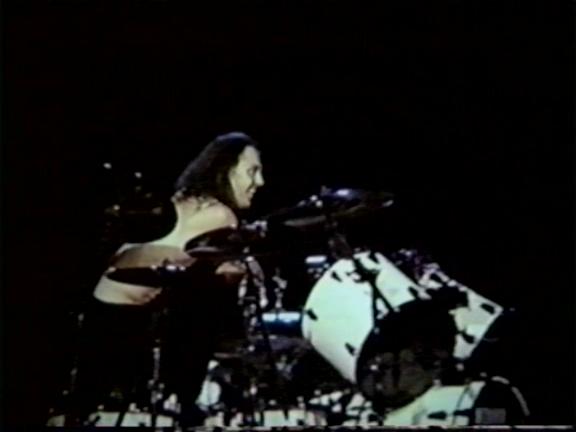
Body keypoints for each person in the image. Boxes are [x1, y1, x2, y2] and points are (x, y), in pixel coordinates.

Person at [69, 132, 265, 426]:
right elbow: (204, 275)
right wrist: (247, 269)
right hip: (125, 325)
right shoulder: (219, 215)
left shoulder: (187, 201)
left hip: (105, 319)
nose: (260, 182)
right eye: (252, 171)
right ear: (225, 170)